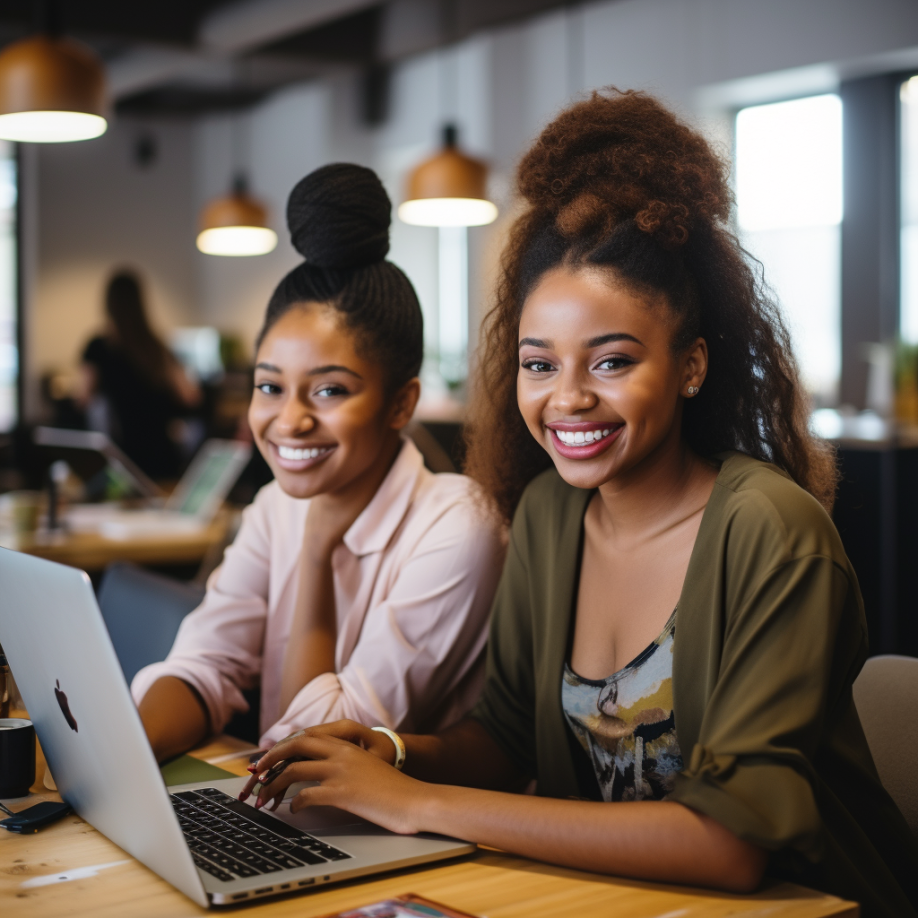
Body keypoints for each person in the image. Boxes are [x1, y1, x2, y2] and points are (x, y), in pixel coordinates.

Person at [239, 92, 918, 917]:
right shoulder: (551, 516)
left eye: (610, 362)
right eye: (539, 364)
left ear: (691, 366)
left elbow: (732, 845)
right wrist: (387, 752)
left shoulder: (770, 532)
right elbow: (506, 739)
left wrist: (413, 804)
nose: (567, 400)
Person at [132, 164, 504, 763]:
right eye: (270, 387)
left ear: (400, 403)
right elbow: (206, 664)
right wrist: (123, 754)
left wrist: (316, 546)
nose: (290, 420)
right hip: (293, 824)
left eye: (330, 390)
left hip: (418, 844)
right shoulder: (273, 507)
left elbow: (319, 751)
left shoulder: (460, 525)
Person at [80, 270, 201, 480]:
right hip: (161, 454)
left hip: (123, 454)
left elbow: (82, 396)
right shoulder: (155, 347)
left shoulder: (99, 347)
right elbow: (191, 395)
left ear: (109, 304)